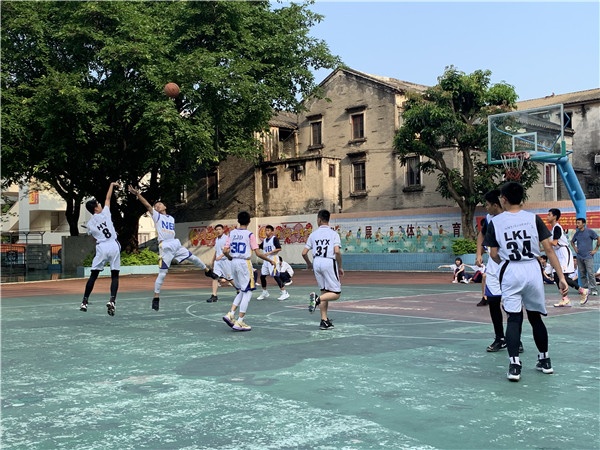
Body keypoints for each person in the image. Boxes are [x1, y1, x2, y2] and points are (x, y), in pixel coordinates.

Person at [484, 182, 568, 382]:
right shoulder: (533, 218)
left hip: (511, 269)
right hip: (532, 268)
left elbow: (493, 253)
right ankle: (545, 361)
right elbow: (549, 249)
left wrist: (504, 263)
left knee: (514, 318)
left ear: (504, 199)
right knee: (535, 317)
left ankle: (514, 365)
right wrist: (561, 277)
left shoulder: (496, 222)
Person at [128, 185, 218, 311]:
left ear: (165, 206)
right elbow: (147, 205)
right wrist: (138, 194)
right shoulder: (157, 216)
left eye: (159, 204)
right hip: (165, 246)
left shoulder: (171, 218)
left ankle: (207, 271)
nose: (157, 206)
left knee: (193, 258)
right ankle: (156, 297)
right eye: (156, 206)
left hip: (175, 243)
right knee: (162, 274)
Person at [476, 189, 524, 354]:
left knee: (513, 304)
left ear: (496, 204)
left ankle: (516, 339)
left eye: (487, 204)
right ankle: (500, 338)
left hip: (510, 266)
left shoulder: (513, 218)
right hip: (494, 267)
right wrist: (478, 253)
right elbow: (481, 235)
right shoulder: (489, 219)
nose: (486, 207)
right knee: (493, 302)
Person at [221, 211, 277, 331]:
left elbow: (225, 250)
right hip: (244, 263)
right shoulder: (249, 235)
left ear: (238, 220)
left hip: (233, 262)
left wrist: (230, 257)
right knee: (248, 292)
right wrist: (270, 260)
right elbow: (258, 253)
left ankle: (231, 314)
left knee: (242, 290)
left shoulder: (231, 233)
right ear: (249, 221)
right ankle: (240, 321)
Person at [80, 182, 121, 316]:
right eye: (98, 204)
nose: (100, 205)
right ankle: (112, 300)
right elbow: (108, 198)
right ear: (96, 208)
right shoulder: (106, 213)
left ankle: (84, 301)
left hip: (102, 247)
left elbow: (93, 237)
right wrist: (111, 185)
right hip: (113, 245)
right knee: (114, 275)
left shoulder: (90, 224)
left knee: (93, 275)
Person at [302, 209, 344, 330]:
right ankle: (317, 299)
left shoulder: (313, 234)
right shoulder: (334, 234)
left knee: (324, 292)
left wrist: (309, 264)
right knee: (336, 294)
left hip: (317, 262)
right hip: (328, 261)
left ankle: (324, 320)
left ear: (319, 219)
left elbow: (304, 253)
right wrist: (340, 266)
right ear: (328, 219)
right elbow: (337, 251)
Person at [546, 208, 589, 306]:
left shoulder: (557, 227)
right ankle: (565, 298)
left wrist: (543, 243)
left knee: (563, 276)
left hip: (564, 253)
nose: (547, 217)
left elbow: (554, 242)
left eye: (549, 215)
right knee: (556, 276)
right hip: (558, 253)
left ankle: (583, 291)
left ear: (554, 217)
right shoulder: (553, 229)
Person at [256, 225, 289, 301]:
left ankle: (284, 292)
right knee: (262, 276)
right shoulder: (264, 240)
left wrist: (269, 252)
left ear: (272, 232)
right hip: (266, 260)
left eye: (268, 230)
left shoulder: (274, 239)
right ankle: (264, 292)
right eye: (266, 230)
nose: (266, 232)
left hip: (273, 258)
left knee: (276, 276)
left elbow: (279, 248)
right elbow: (259, 247)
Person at [206, 224, 236, 303]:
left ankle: (239, 290)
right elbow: (216, 251)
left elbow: (228, 249)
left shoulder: (226, 238)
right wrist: (213, 261)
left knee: (230, 278)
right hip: (218, 262)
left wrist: (221, 256)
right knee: (215, 277)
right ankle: (214, 296)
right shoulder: (216, 239)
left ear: (223, 230)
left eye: (219, 229)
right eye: (217, 230)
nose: (218, 231)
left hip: (225, 261)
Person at [570, 217, 599, 298]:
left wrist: (595, 249)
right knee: (582, 273)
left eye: (579, 223)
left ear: (583, 224)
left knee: (590, 273)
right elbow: (572, 242)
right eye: (577, 223)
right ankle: (585, 289)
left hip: (588, 256)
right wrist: (575, 248)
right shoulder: (577, 233)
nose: (577, 224)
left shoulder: (590, 232)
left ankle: (594, 289)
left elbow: (598, 238)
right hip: (579, 256)